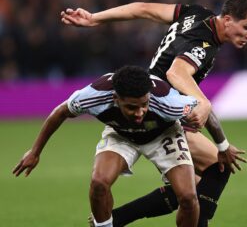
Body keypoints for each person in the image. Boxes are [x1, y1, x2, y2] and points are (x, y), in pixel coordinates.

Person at [61, 0, 247, 226]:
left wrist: (95, 18)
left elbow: (143, 8)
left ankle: (118, 219)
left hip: (158, 104)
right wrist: (204, 104)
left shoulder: (197, 13)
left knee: (196, 184)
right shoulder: (202, 44)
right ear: (228, 20)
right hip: (163, 111)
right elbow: (176, 72)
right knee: (214, 171)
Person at [12, 65, 200, 227]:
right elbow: (60, 112)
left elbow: (203, 107)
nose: (139, 112)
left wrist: (223, 145)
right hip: (121, 134)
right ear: (116, 98)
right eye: (131, 107)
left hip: (163, 135)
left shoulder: (168, 101)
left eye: (144, 104)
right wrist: (35, 152)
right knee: (99, 183)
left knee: (188, 197)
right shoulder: (94, 95)